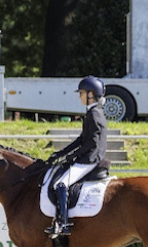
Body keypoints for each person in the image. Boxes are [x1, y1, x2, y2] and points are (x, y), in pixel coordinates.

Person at [44, 75, 108, 236]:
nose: (79, 96)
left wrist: (71, 157)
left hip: (90, 159)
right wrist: (61, 153)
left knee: (61, 184)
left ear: (90, 94)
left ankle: (63, 224)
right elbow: (81, 140)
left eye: (81, 93)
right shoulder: (93, 112)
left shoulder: (94, 114)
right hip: (90, 156)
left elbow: (91, 143)